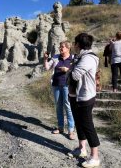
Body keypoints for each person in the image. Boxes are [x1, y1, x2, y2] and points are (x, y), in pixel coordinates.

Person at [67, 33, 100, 167]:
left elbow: (74, 75)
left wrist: (68, 70)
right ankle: (82, 149)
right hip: (76, 96)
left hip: (85, 96)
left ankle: (95, 156)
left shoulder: (88, 58)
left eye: (75, 43)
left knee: (87, 125)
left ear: (79, 45)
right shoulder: (81, 57)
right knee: (79, 123)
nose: (74, 46)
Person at [44, 41, 75, 140]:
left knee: (68, 106)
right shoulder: (56, 57)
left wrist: (67, 70)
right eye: (60, 47)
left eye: (62, 47)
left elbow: (77, 71)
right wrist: (45, 59)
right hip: (56, 85)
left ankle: (71, 130)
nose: (60, 48)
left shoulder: (73, 58)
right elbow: (47, 67)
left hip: (67, 85)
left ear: (68, 48)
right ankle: (60, 127)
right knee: (58, 106)